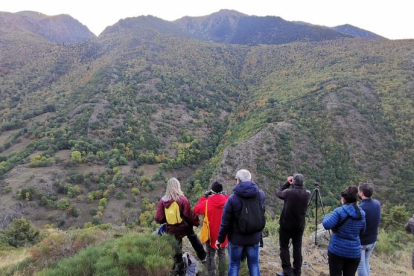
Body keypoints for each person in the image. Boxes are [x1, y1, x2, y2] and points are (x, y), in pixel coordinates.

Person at [216, 169, 266, 276]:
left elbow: (225, 222)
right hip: (254, 238)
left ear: (238, 181)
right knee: (254, 265)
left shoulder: (232, 199)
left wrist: (220, 239)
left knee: (234, 265)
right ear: (251, 180)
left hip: (236, 240)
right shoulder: (260, 195)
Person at [154, 177, 206, 276]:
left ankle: (178, 268)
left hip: (172, 228)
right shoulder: (182, 199)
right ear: (178, 186)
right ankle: (203, 256)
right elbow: (188, 214)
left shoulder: (163, 201)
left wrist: (166, 222)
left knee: (177, 246)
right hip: (185, 227)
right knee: (193, 237)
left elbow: (158, 218)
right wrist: (196, 222)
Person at [323, 186, 366, 276]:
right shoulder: (361, 214)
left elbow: (327, 225)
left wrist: (326, 216)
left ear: (344, 199)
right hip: (354, 253)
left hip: (337, 250)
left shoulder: (339, 211)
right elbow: (363, 231)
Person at [276, 174, 311, 276]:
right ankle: (297, 271)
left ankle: (287, 270)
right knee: (297, 247)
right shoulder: (307, 194)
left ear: (293, 182)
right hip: (299, 225)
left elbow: (278, 193)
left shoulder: (288, 192)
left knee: (284, 247)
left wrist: (287, 183)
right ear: (302, 182)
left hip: (286, 225)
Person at [194, 181, 230, 276]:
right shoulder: (227, 201)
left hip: (210, 235)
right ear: (221, 191)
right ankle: (222, 273)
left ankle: (211, 274)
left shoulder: (206, 202)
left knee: (210, 256)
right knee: (222, 254)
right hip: (223, 234)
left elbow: (196, 209)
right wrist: (225, 196)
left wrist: (204, 197)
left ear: (212, 191)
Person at [357, 183, 381, 276]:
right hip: (373, 239)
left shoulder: (360, 209)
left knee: (360, 265)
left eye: (359, 191)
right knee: (366, 261)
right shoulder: (377, 204)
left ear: (362, 193)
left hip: (363, 241)